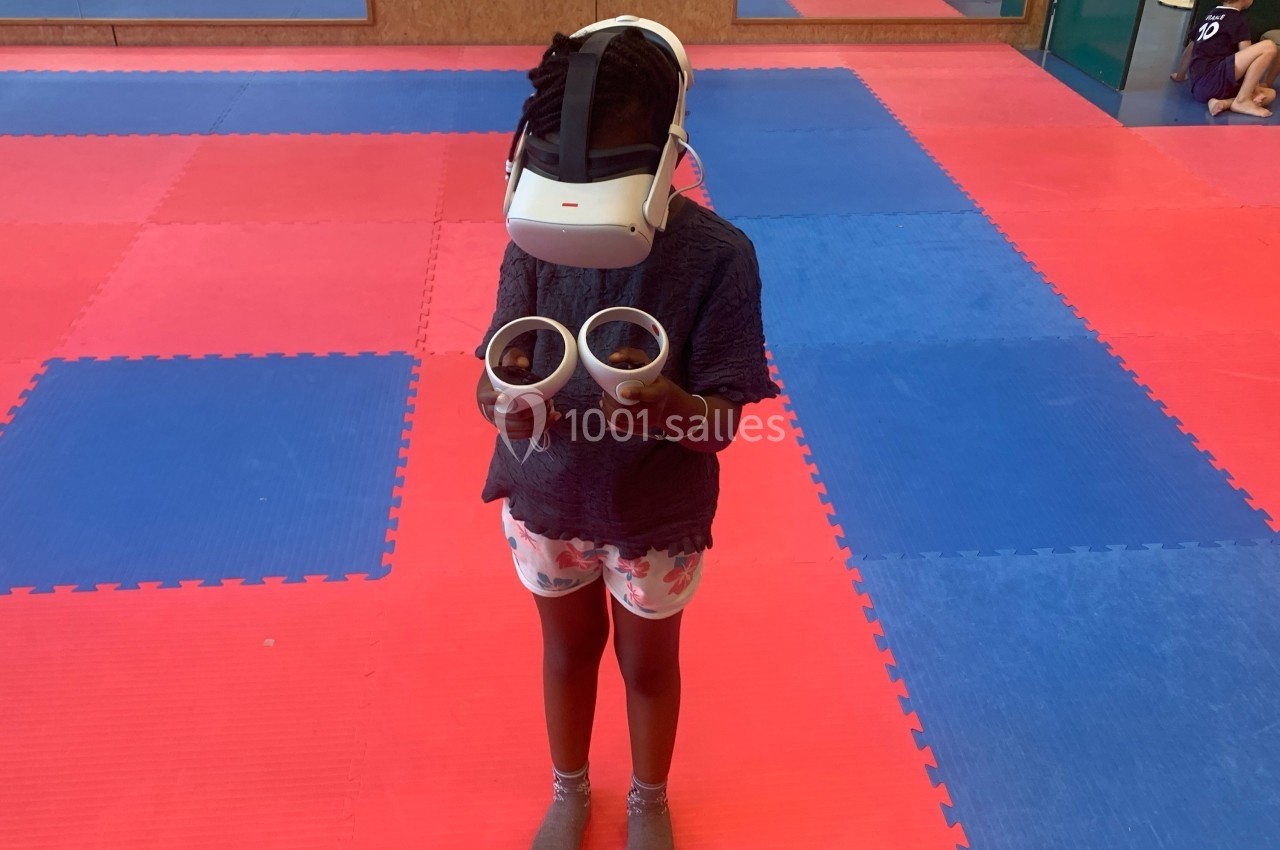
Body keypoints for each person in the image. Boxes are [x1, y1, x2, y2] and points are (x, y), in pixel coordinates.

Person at [473, 24, 779, 850]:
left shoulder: (719, 257)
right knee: (566, 654)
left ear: (668, 153)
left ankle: (649, 800)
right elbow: (496, 370)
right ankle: (569, 790)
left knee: (647, 666)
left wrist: (662, 400)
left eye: (607, 172)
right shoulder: (530, 239)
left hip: (653, 519)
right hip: (547, 502)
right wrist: (504, 406)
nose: (577, 197)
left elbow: (719, 424)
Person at [1171, 0, 1279, 116]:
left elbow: (1189, 50)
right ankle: (1242, 100)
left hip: (1199, 89)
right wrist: (1255, 88)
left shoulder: (1210, 15)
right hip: (1215, 80)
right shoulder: (1237, 19)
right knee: (1269, 47)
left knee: (1270, 94)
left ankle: (1222, 103)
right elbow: (1247, 54)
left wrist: (1180, 75)